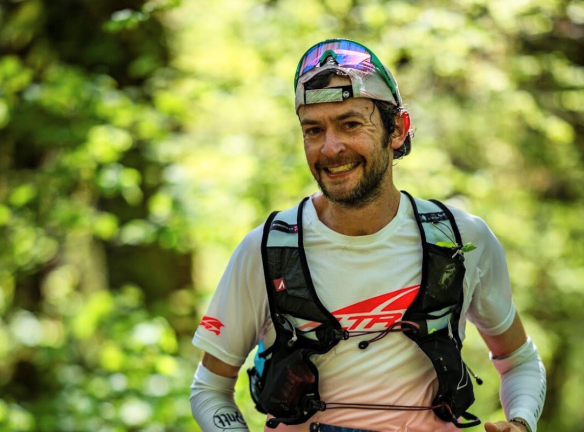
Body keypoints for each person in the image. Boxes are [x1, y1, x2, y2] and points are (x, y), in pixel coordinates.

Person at [189, 39, 546, 432]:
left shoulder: (461, 240)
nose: (331, 148)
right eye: (313, 130)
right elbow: (210, 389)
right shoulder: (268, 249)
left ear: (397, 129)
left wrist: (521, 422)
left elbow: (520, 362)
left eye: (350, 124)